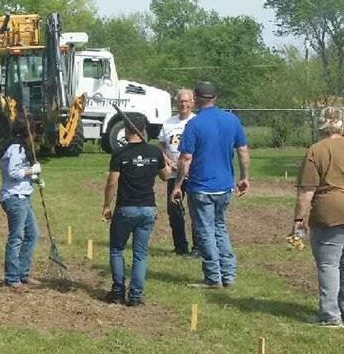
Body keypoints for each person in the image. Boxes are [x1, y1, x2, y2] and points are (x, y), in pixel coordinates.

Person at [170, 82, 249, 288]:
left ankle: (213, 277)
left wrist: (178, 185)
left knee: (205, 231)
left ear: (195, 99)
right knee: (220, 228)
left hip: (201, 187)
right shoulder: (231, 120)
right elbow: (242, 151)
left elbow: (185, 158)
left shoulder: (194, 124)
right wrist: (244, 177)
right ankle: (229, 274)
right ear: (216, 97)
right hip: (224, 186)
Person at [292, 107, 344, 327]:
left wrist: (298, 220)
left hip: (328, 213)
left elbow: (306, 191)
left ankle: (330, 316)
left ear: (320, 125)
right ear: (341, 124)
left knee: (329, 265)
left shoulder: (316, 150)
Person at [101, 113, 169, 306]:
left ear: (126, 129)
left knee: (116, 249)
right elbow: (165, 176)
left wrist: (106, 205)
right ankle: (136, 296)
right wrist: (163, 162)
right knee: (140, 254)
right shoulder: (154, 152)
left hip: (125, 208)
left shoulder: (120, 154)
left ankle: (117, 291)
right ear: (143, 129)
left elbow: (112, 182)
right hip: (148, 209)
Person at [0, 118, 43, 292]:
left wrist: (34, 179)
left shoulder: (22, 148)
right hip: (14, 198)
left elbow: (21, 173)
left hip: (24, 196)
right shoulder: (15, 148)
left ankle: (23, 273)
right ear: (27, 132)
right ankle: (11, 277)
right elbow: (13, 172)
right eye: (33, 132)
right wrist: (32, 171)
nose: (34, 136)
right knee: (16, 237)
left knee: (32, 234)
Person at [158, 89, 197, 256]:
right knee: (174, 210)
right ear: (177, 103)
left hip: (194, 173)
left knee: (196, 211)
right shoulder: (168, 123)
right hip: (174, 174)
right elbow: (161, 145)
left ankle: (198, 247)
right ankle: (180, 246)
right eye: (181, 101)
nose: (184, 104)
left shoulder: (197, 121)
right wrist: (166, 159)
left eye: (187, 101)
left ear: (193, 102)